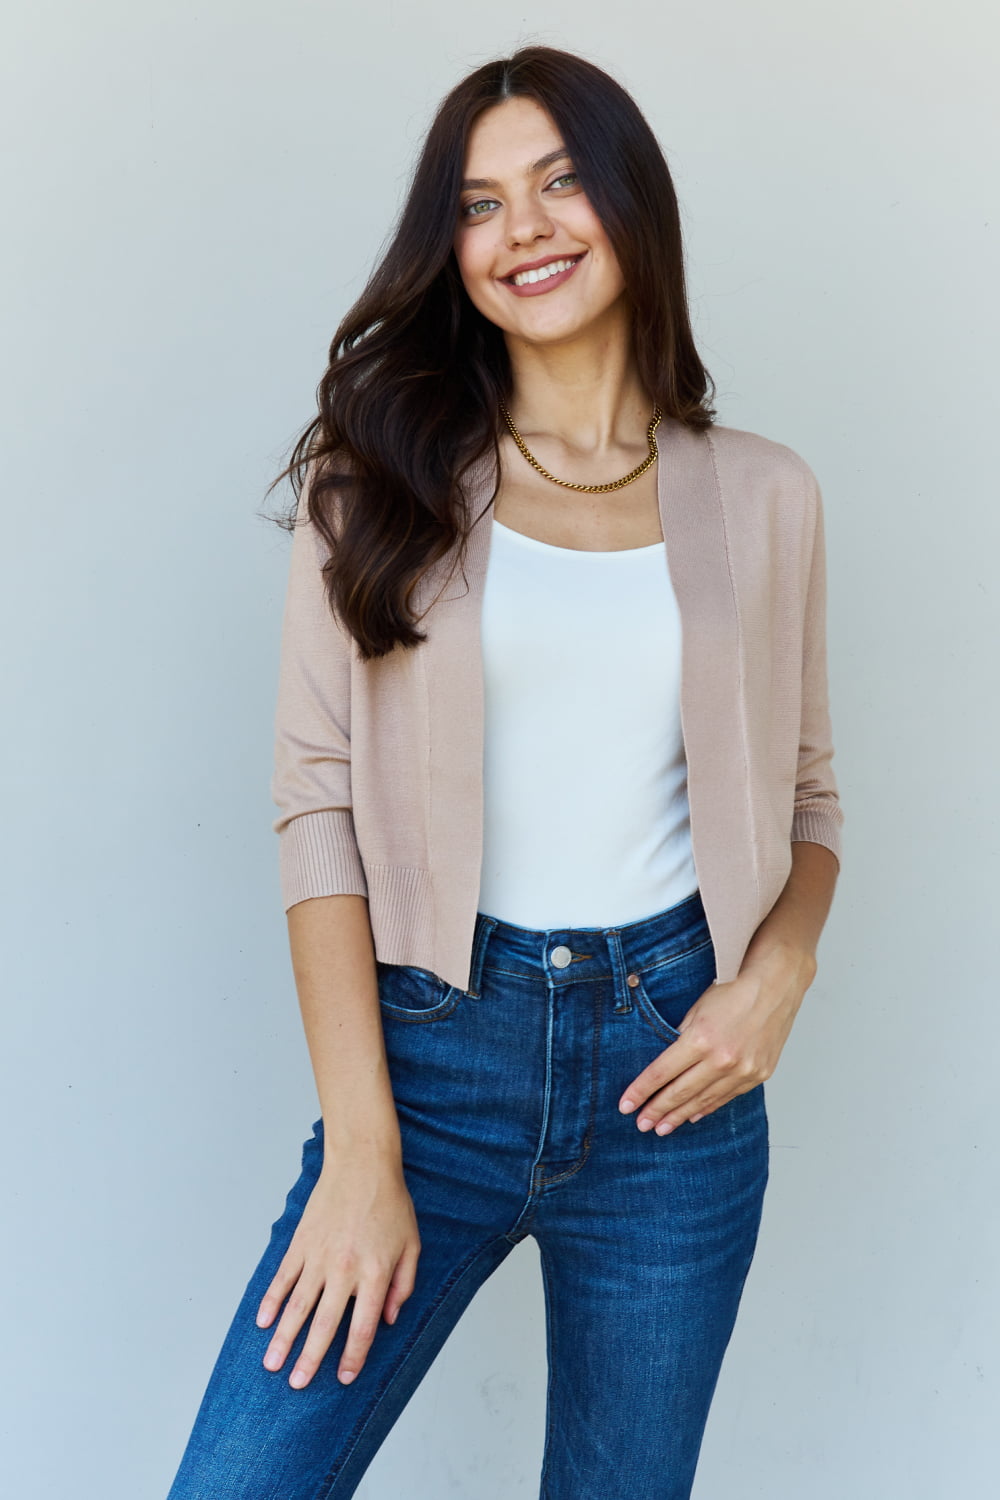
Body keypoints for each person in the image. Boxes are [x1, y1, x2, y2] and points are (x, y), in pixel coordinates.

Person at [166, 43, 843, 1500]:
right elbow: (317, 815)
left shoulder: (767, 494)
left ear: (629, 204)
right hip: (428, 1063)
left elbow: (808, 803)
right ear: (451, 248)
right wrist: (363, 1149)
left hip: (676, 1087)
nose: (523, 228)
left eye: (558, 182)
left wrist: (776, 979)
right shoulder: (378, 477)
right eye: (479, 204)